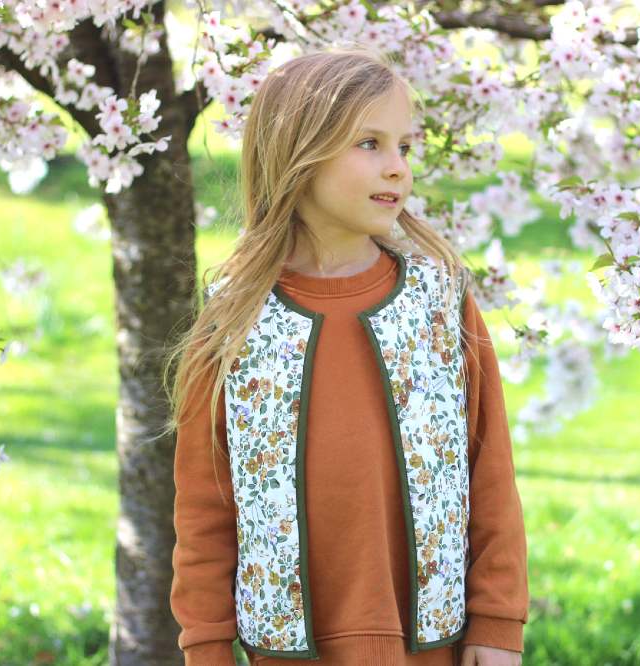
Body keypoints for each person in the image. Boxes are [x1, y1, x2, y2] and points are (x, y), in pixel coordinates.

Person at [164, 44, 528, 666]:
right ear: (297, 151)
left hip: (432, 644)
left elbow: (489, 470)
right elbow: (205, 506)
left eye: (404, 147)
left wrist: (497, 625)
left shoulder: (439, 302)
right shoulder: (234, 320)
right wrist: (206, 648)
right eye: (370, 144)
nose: (398, 169)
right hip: (289, 650)